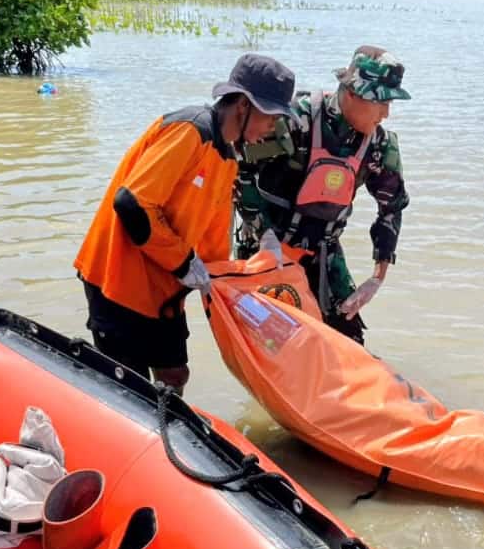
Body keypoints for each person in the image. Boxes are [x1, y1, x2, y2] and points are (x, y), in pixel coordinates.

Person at [74, 53, 295, 394]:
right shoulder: (190, 130)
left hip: (162, 289)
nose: (273, 128)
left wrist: (234, 283)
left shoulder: (227, 158)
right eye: (272, 118)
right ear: (244, 105)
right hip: (116, 280)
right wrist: (182, 262)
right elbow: (132, 204)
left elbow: (211, 243)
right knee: (129, 391)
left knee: (175, 375)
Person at [233, 46, 410, 344]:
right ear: (352, 93)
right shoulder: (294, 121)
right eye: (380, 101)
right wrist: (260, 232)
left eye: (389, 102)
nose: (386, 113)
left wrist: (377, 277)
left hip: (323, 253)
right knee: (273, 342)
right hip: (267, 250)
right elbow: (240, 169)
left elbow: (391, 208)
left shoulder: (379, 146)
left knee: (349, 337)